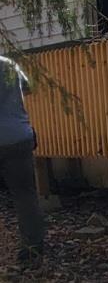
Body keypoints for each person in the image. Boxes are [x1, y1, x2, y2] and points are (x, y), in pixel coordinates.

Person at [0, 55, 45, 263]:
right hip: (19, 137)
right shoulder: (9, 64)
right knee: (25, 195)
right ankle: (33, 248)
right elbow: (27, 88)